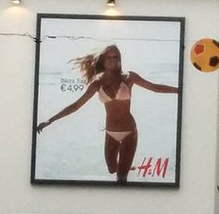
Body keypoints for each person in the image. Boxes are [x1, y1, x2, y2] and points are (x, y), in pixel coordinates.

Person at [36, 45, 179, 182]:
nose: (112, 59)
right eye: (109, 57)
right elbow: (76, 105)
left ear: (119, 59)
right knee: (111, 169)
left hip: (129, 131)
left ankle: (124, 172)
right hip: (110, 132)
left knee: (121, 179)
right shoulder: (97, 83)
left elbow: (154, 87)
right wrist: (50, 120)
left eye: (115, 57)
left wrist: (178, 90)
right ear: (103, 60)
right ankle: (126, 166)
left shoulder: (129, 77)